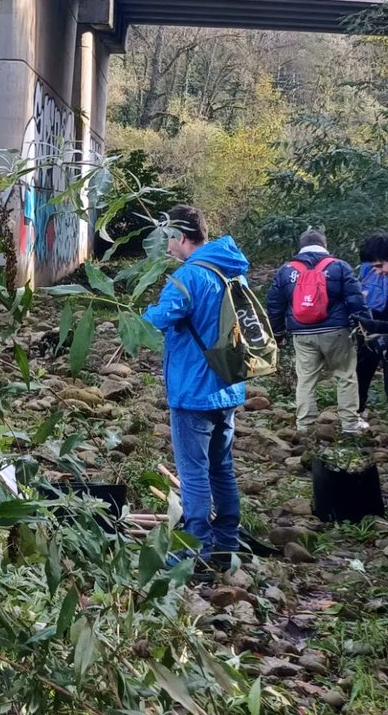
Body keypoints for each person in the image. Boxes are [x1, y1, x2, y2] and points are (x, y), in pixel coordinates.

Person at [142, 205, 249, 564]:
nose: (166, 245)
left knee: (193, 473)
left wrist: (139, 314)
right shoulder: (232, 270)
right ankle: (226, 543)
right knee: (222, 467)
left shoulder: (189, 276)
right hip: (228, 385)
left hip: (193, 389)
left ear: (181, 236)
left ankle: (195, 551)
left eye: (168, 237)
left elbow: (160, 318)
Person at [266, 227, 370, 435]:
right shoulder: (339, 266)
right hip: (336, 331)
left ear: (300, 247)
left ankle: (305, 426)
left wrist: (277, 333)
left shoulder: (286, 270)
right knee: (345, 376)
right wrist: (365, 325)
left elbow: (274, 305)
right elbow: (355, 299)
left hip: (302, 333)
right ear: (325, 245)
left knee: (306, 379)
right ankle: (350, 425)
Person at [356, 231, 388, 418]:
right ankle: (358, 409)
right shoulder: (368, 270)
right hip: (370, 321)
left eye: (379, 265)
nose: (377, 271)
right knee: (363, 367)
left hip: (377, 324)